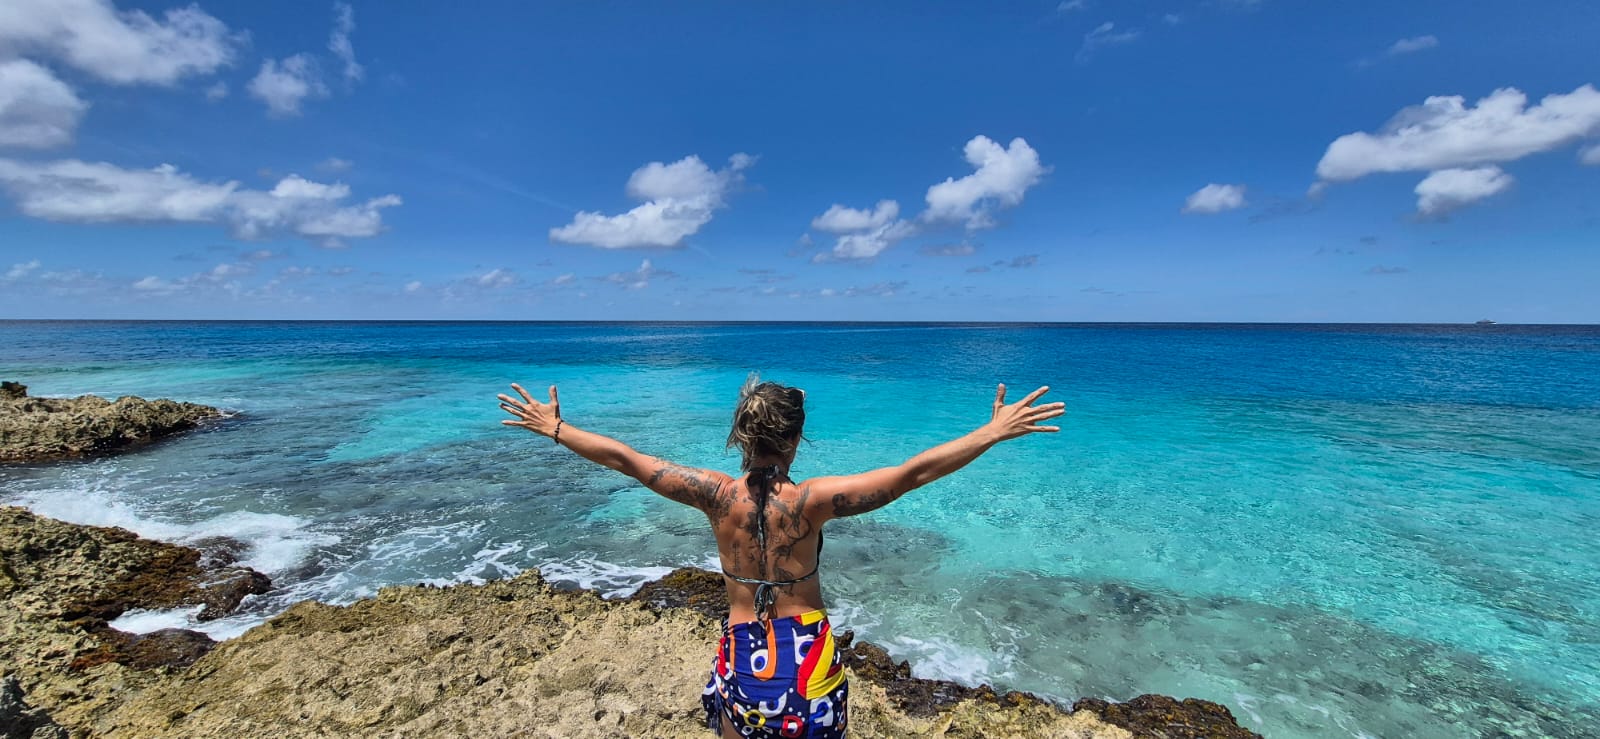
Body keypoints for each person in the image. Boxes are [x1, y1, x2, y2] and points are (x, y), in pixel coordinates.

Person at [498, 376, 1064, 738]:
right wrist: (990, 432)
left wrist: (556, 428)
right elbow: (912, 474)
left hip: (744, 651)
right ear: (795, 439)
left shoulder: (714, 494)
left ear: (740, 437)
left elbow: (626, 459)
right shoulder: (814, 501)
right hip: (808, 655)